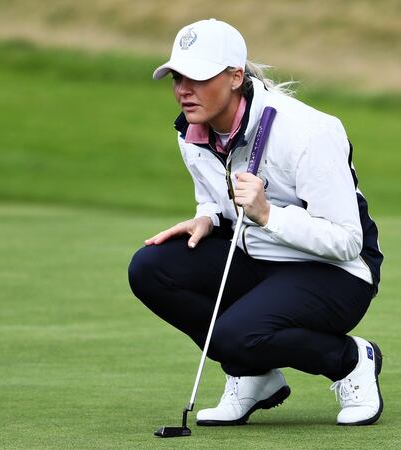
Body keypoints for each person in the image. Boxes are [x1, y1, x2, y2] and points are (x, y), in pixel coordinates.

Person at [128, 18, 384, 426]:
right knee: (150, 268)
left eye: (197, 77)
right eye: (177, 77)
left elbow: (347, 240)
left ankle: (350, 361)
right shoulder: (191, 133)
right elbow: (212, 196)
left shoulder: (308, 132)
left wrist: (268, 215)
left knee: (234, 336)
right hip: (258, 258)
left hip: (337, 273)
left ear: (234, 77)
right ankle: (254, 376)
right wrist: (208, 217)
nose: (182, 90)